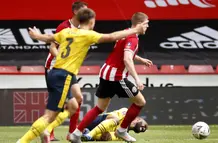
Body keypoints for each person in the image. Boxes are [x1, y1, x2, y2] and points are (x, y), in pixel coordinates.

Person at [16, 8, 148, 143]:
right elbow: (112, 36)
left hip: (56, 73)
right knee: (50, 115)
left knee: (73, 105)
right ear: (91, 22)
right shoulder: (87, 35)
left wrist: (37, 36)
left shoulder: (67, 31)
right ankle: (24, 140)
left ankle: (71, 133)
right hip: (64, 75)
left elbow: (50, 38)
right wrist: (136, 30)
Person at [70, 12, 151, 143]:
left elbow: (123, 52)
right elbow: (127, 59)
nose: (147, 27)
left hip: (105, 72)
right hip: (116, 76)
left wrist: (140, 59)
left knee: (99, 108)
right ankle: (122, 130)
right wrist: (137, 79)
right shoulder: (133, 38)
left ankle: (76, 133)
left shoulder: (125, 32)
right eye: (146, 24)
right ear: (140, 24)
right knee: (140, 102)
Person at [44, 1, 88, 141]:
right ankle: (47, 132)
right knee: (58, 102)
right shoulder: (63, 27)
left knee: (79, 98)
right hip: (55, 67)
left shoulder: (82, 29)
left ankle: (72, 133)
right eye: (83, 11)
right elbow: (52, 48)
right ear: (75, 12)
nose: (86, 15)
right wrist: (64, 60)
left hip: (68, 69)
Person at [81, 108, 148, 141]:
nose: (136, 121)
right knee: (116, 120)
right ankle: (89, 134)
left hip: (97, 134)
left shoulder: (123, 135)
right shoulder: (127, 112)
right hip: (96, 121)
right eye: (139, 120)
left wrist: (108, 136)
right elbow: (110, 117)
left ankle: (87, 134)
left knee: (105, 137)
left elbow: (108, 137)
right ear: (137, 118)